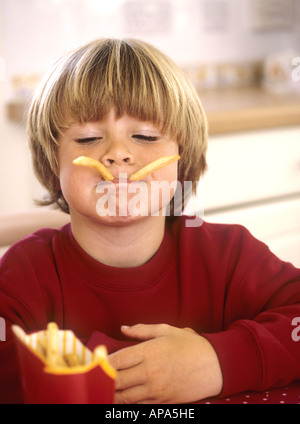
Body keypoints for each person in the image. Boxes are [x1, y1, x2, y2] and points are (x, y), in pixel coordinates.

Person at [1, 38, 300, 405]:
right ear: (53, 166)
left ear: (181, 158)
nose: (118, 154)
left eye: (144, 136)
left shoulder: (229, 256)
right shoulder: (24, 273)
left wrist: (216, 361)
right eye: (88, 138)